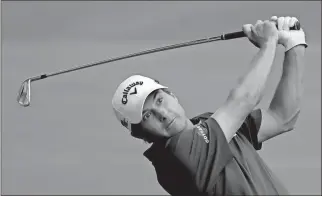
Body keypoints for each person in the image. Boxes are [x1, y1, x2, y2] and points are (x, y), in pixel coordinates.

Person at [111, 16, 307, 195]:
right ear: (141, 134)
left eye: (160, 100)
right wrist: (268, 43)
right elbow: (244, 99)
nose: (161, 113)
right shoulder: (176, 157)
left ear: (171, 94)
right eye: (147, 116)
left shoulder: (207, 123)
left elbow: (282, 118)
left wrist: (294, 45)